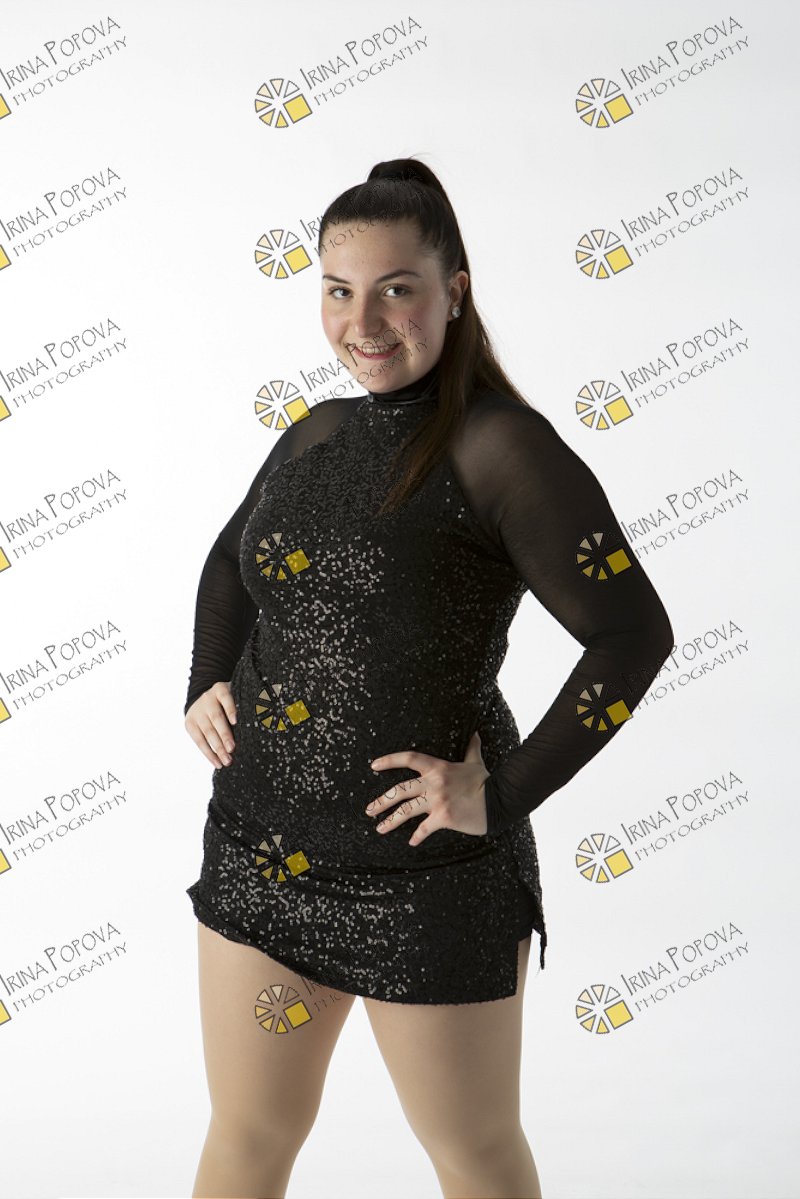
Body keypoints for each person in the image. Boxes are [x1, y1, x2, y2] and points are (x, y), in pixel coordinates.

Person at [183, 156, 674, 1199]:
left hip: (428, 881)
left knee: (473, 1152)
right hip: (260, 851)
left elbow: (633, 634)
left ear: (454, 291)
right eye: (337, 290)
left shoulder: (502, 449)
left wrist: (503, 793)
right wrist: (204, 677)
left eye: (395, 289)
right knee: (248, 1134)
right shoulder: (315, 434)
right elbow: (230, 562)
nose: (362, 322)